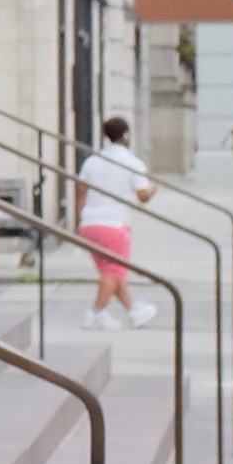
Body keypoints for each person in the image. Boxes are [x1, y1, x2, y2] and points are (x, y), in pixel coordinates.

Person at [77, 115, 159, 330]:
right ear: (126, 135)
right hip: (114, 224)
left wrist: (79, 218)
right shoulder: (133, 163)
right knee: (113, 274)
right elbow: (142, 196)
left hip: (90, 223)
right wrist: (154, 188)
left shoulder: (92, 161)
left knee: (111, 272)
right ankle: (95, 312)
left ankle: (133, 311)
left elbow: (81, 190)